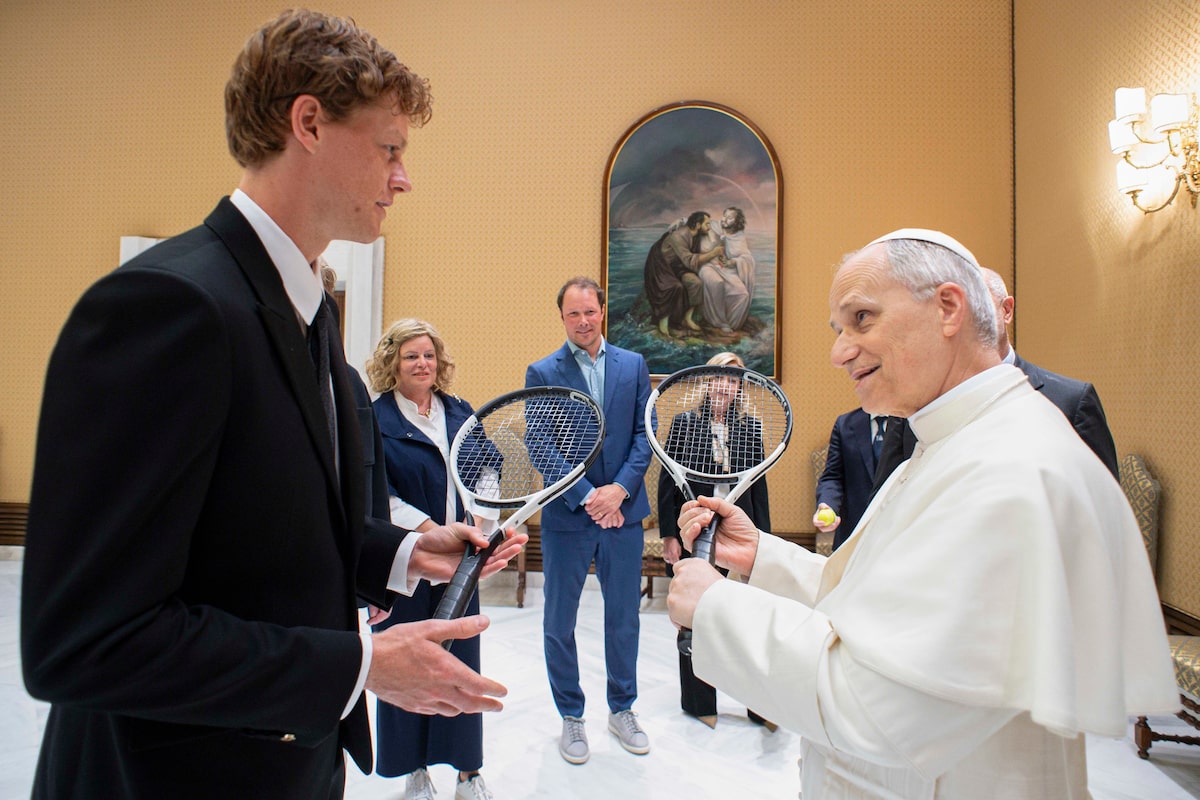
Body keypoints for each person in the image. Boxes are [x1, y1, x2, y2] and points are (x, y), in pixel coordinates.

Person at [20, 11, 524, 800]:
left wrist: (397, 552)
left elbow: (254, 533)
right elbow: (85, 641)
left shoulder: (310, 310)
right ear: (310, 123)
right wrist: (359, 667)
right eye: (390, 148)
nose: (404, 177)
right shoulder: (167, 305)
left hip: (289, 764)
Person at [666, 229, 1176, 798]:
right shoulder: (954, 437)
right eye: (840, 330)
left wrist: (715, 606)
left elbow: (875, 710)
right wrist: (764, 556)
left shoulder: (1010, 469)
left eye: (862, 318)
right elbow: (876, 604)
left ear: (948, 309)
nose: (839, 351)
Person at [365, 319, 497, 800]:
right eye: (411, 356)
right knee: (404, 660)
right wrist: (431, 533)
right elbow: (379, 492)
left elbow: (487, 467)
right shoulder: (375, 417)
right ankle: (413, 770)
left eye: (428, 355)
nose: (422, 364)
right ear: (392, 364)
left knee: (461, 662)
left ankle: (468, 771)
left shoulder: (459, 411)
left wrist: (480, 521)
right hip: (403, 559)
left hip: (464, 558)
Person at [525, 276, 654, 765]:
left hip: (624, 513)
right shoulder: (542, 371)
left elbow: (647, 433)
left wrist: (618, 490)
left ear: (604, 311)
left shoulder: (634, 365)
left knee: (623, 618)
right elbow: (540, 443)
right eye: (572, 314)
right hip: (568, 517)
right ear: (562, 317)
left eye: (589, 311)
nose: (582, 321)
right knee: (559, 621)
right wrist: (586, 496)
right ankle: (571, 716)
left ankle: (622, 709)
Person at [872, 265, 1121, 491]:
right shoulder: (918, 402)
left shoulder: (1070, 402)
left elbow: (1104, 507)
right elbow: (885, 499)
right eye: (953, 312)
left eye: (979, 306)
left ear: (1007, 310)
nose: (966, 321)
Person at [658, 351, 773, 729]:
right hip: (697, 527)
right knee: (696, 615)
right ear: (708, 382)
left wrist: (764, 541)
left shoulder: (751, 427)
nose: (726, 384)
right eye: (719, 377)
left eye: (734, 379)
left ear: (740, 387)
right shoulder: (684, 423)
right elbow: (667, 483)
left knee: (749, 619)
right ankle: (699, 703)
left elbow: (758, 488)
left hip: (741, 529)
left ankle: (761, 707)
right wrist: (669, 535)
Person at [812, 408, 886, 550]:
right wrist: (828, 504)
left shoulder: (911, 422)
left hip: (898, 532)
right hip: (853, 531)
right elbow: (833, 476)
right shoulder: (846, 423)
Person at [644, 211, 725, 336]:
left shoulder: (695, 235)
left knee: (696, 283)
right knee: (676, 287)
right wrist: (713, 253)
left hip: (678, 267)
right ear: (698, 225)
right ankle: (663, 325)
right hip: (662, 267)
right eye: (707, 224)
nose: (709, 227)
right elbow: (689, 261)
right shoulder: (678, 236)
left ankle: (688, 318)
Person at [697, 207, 754, 332]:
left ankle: (732, 324)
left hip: (727, 270)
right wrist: (680, 221)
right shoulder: (713, 226)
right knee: (717, 283)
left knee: (742, 295)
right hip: (708, 266)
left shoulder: (739, 237)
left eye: (729, 218)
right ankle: (719, 322)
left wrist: (733, 262)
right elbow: (693, 222)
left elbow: (746, 257)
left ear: (737, 221)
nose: (724, 220)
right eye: (724, 216)